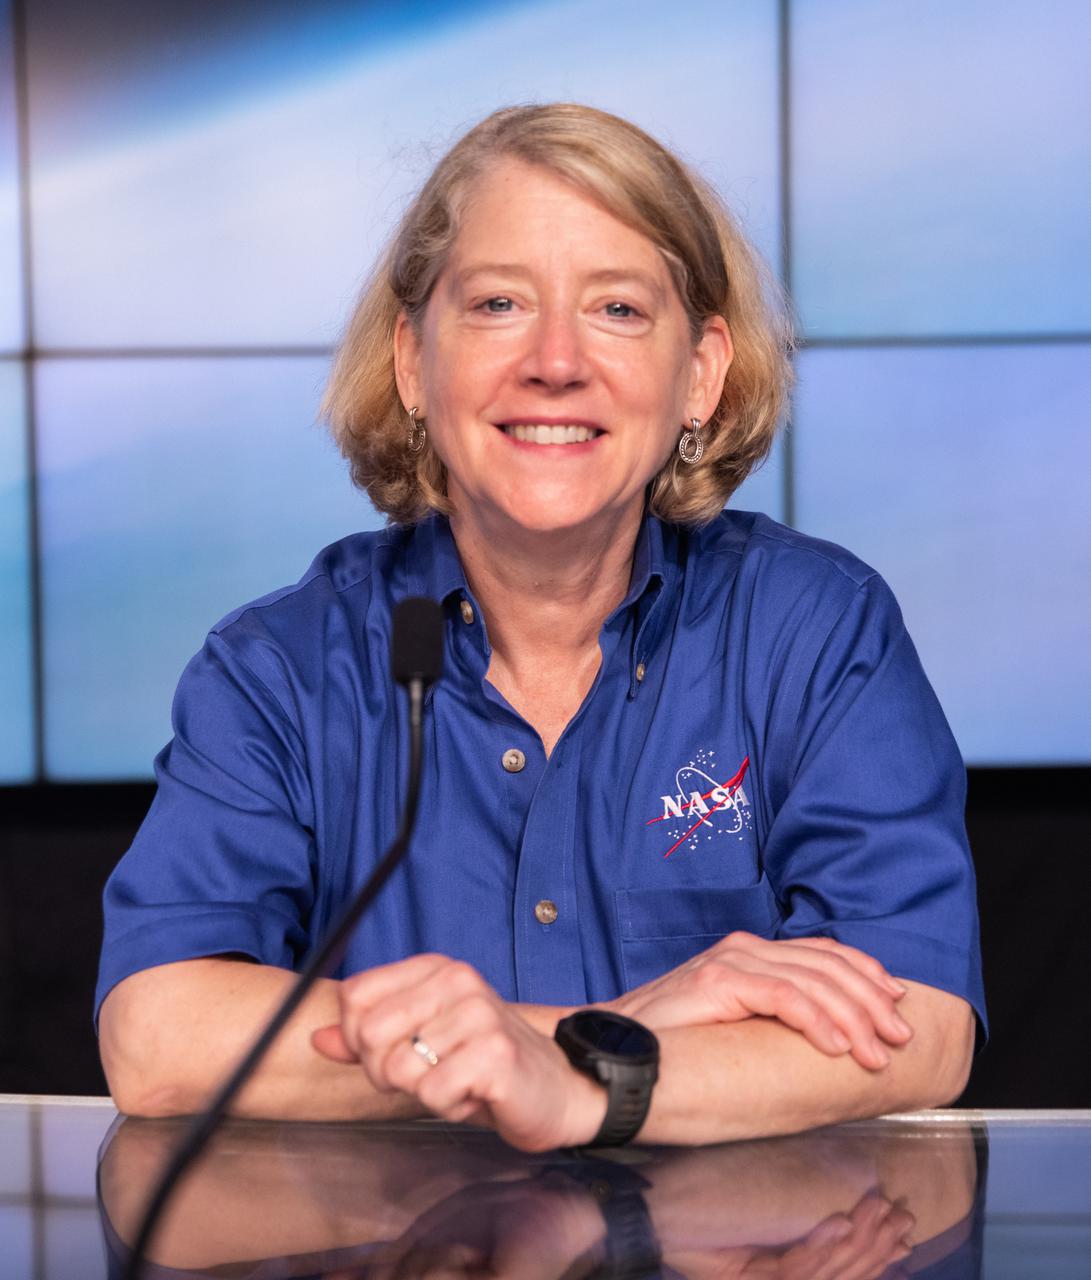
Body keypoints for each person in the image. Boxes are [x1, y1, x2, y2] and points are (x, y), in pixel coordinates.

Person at [96, 103, 984, 1151]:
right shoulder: (278, 670)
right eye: (498, 303)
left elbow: (918, 1025)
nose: (555, 361)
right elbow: (158, 1037)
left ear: (698, 374)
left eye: (616, 308)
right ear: (413, 362)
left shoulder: (816, 629)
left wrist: (569, 1086)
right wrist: (592, 1038)